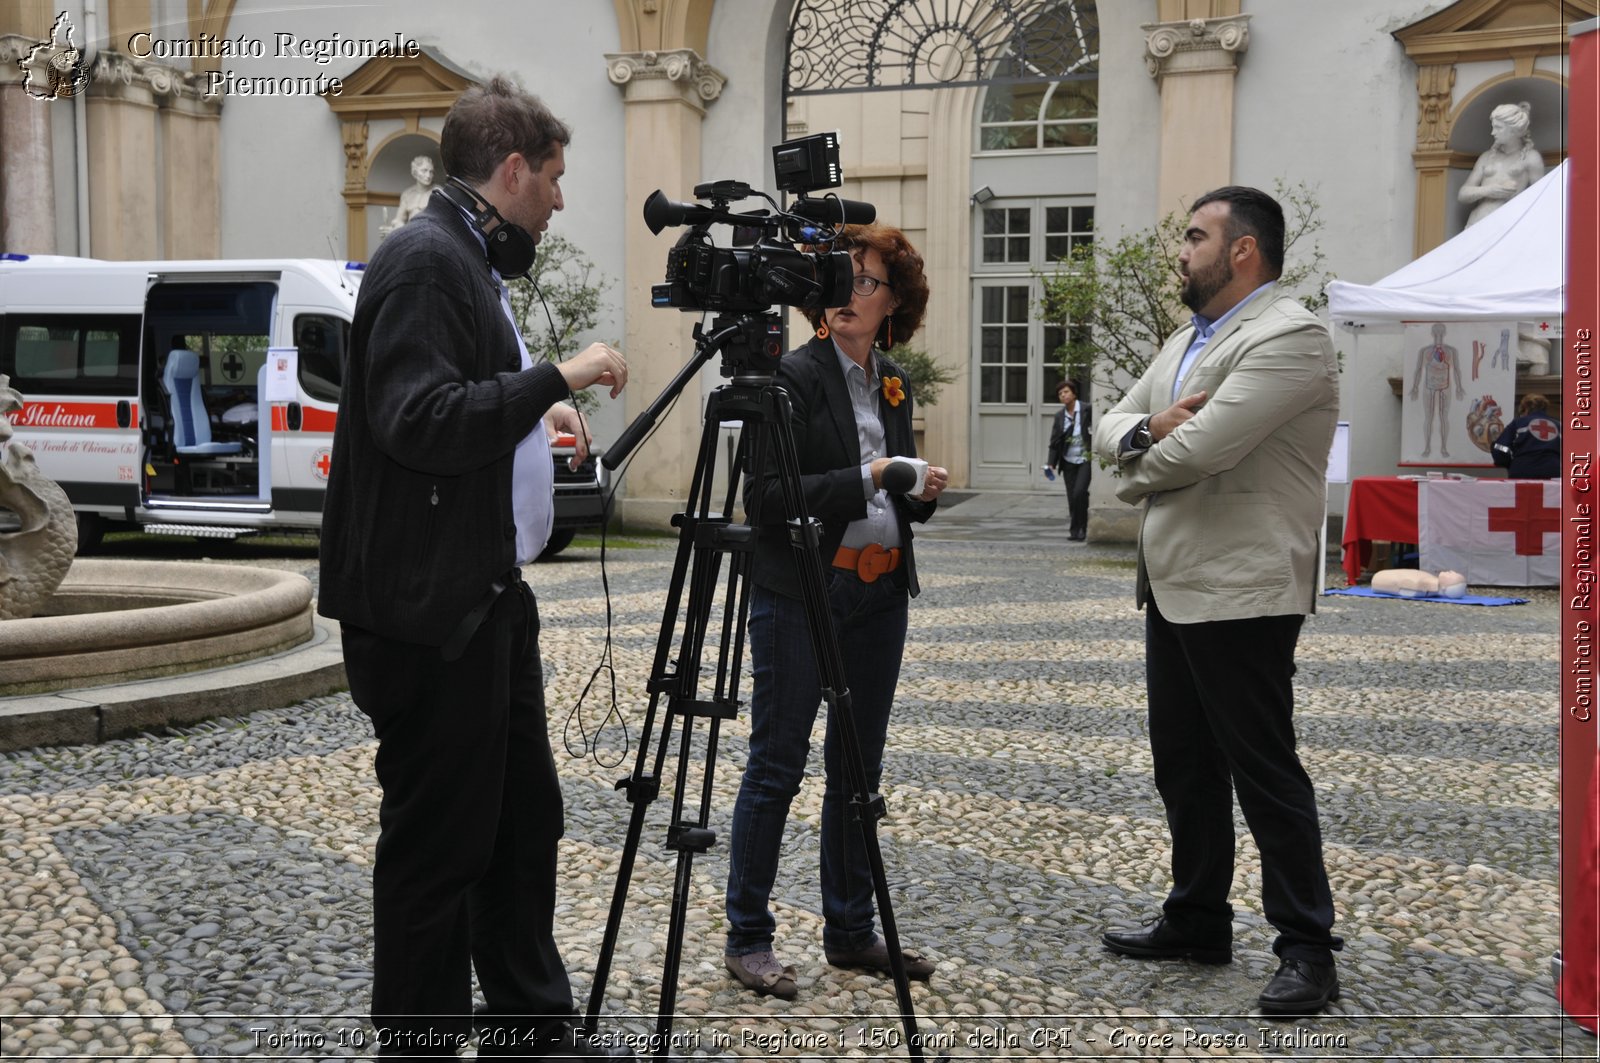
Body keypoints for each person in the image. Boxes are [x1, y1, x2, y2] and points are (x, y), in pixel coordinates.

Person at [318, 76, 632, 1061]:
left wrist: (532, 415)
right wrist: (558, 375)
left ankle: (530, 1028)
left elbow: (454, 394)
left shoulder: (458, 258)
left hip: (482, 602)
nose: (559, 198)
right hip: (428, 621)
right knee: (438, 849)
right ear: (510, 170)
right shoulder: (423, 259)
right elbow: (415, 420)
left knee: (518, 822)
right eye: (552, 177)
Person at [1092, 186, 1344, 1018]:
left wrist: (1140, 449)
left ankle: (1307, 945)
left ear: (1243, 251)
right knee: (1185, 767)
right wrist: (1142, 431)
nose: (1182, 250)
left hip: (1243, 588)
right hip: (1174, 583)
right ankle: (1197, 917)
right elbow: (1115, 419)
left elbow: (1196, 451)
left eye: (1196, 236)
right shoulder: (1184, 339)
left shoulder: (1290, 336)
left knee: (1264, 769)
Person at [724, 223, 948, 1000]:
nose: (850, 290)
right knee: (776, 765)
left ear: (895, 303)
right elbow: (769, 499)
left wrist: (915, 489)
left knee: (858, 769)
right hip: (801, 591)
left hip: (881, 593)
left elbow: (894, 486)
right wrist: (875, 473)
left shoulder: (893, 379)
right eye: (842, 275)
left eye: (867, 279)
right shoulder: (792, 375)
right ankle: (747, 935)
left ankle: (851, 931)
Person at [1458, 101, 1544, 228]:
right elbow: (1463, 194)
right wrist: (1488, 190)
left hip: (1509, 225)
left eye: (1498, 127)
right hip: (1476, 223)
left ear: (1514, 130)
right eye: (1493, 127)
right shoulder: (1486, 157)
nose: (1493, 132)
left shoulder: (1530, 158)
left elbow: (1541, 199)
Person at [1410, 322, 1465, 459]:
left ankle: (1444, 447)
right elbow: (1418, 370)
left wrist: (1459, 387)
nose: (1439, 335)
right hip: (1429, 384)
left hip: (1445, 384)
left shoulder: (1451, 351)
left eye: (1441, 332)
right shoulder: (1424, 351)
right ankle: (1427, 446)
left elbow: (1457, 370)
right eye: (1436, 332)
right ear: (1432, 333)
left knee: (1443, 417)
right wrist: (1415, 386)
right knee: (1429, 417)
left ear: (1444, 333)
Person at [1046, 378, 1092, 541]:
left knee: (1080, 493)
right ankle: (1075, 530)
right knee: (1072, 497)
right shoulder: (1060, 416)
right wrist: (1050, 462)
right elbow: (1054, 441)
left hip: (1085, 458)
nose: (1063, 395)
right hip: (1067, 460)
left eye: (1066, 392)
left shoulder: (1087, 409)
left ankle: (1083, 528)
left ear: (1073, 393)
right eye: (1060, 394)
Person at [1492, 393, 1561, 479]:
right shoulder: (1559, 426)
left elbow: (1500, 448)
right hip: (1553, 472)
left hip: (1523, 470)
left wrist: (1510, 462)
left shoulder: (1518, 423)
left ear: (1526, 409)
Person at [380, 154, 437, 238]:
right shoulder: (408, 194)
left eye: (431, 172)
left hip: (430, 236)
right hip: (411, 236)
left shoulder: (437, 192)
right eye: (424, 171)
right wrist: (392, 230)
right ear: (415, 172)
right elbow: (400, 220)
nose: (428, 175)